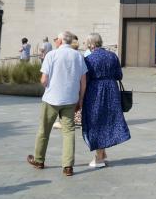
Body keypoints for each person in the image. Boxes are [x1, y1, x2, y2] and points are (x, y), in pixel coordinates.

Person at [27, 31, 87, 177]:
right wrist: (80, 100)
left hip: (51, 99)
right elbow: (83, 81)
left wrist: (47, 86)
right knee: (69, 132)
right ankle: (68, 166)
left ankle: (39, 160)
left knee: (44, 130)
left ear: (60, 41)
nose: (55, 41)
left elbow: (43, 80)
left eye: (56, 39)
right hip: (70, 99)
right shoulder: (78, 55)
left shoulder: (51, 55)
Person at [81, 33, 130, 168]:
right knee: (107, 121)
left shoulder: (89, 59)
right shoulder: (112, 56)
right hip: (111, 91)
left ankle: (99, 158)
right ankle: (102, 153)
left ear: (91, 44)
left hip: (95, 91)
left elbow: (86, 79)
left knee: (95, 121)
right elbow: (119, 75)